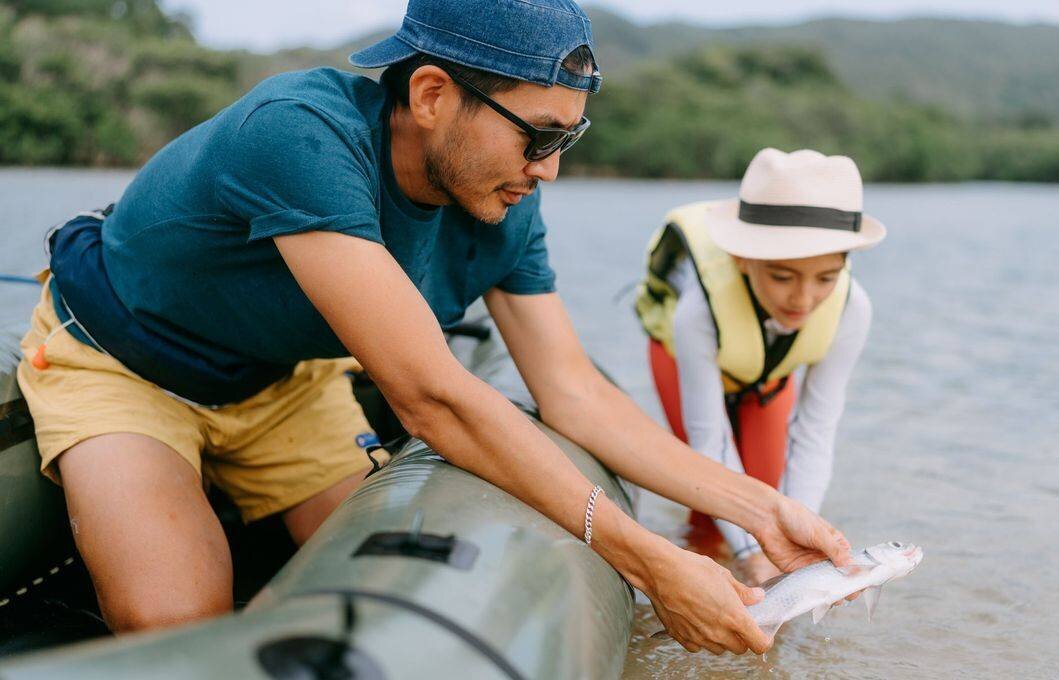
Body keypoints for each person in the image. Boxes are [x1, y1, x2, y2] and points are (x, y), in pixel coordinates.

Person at [17, 1, 851, 654]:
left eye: (572, 134)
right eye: (541, 135)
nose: (551, 167)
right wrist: (652, 561)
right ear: (430, 96)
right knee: (180, 623)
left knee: (385, 596)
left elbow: (572, 390)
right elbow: (430, 399)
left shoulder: (505, 204)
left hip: (282, 382)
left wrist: (764, 510)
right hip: (122, 362)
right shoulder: (300, 136)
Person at [636, 148, 885, 585]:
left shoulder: (853, 308)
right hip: (681, 360)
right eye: (784, 277)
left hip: (767, 374)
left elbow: (816, 430)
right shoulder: (698, 309)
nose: (804, 300)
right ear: (742, 259)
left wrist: (796, 544)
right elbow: (709, 440)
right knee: (715, 513)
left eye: (825, 278)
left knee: (769, 498)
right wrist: (753, 553)